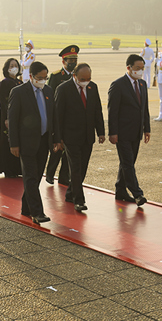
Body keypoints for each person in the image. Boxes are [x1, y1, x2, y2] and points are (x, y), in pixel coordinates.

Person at [8, 60, 59, 225]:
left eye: (45, 77)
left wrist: (56, 139)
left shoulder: (49, 91)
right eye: (40, 77)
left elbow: (53, 117)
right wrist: (13, 143)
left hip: (44, 141)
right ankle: (38, 212)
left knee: (36, 176)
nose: (43, 80)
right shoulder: (19, 92)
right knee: (30, 176)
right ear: (31, 76)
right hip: (26, 142)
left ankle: (26, 206)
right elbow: (13, 120)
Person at [55, 63, 105, 211]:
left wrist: (100, 132)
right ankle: (79, 200)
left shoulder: (92, 87)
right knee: (75, 168)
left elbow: (97, 110)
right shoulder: (63, 89)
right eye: (83, 78)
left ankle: (71, 193)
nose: (86, 81)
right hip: (71, 136)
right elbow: (58, 115)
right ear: (74, 76)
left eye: (89, 78)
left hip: (87, 136)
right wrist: (58, 138)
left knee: (82, 168)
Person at [107, 54, 151, 206]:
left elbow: (144, 109)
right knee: (127, 164)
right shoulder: (118, 85)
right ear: (129, 68)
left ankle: (120, 191)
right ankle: (138, 194)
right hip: (122, 132)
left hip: (136, 132)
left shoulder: (142, 84)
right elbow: (112, 111)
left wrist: (147, 129)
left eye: (142, 68)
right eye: (137, 68)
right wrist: (112, 132)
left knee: (128, 162)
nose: (140, 71)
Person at [44, 45, 78, 186]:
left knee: (69, 152)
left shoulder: (78, 76)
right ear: (63, 61)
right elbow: (50, 97)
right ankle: (50, 174)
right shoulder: (56, 76)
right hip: (59, 118)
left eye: (74, 60)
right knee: (57, 149)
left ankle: (64, 177)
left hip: (72, 120)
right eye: (70, 60)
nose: (73, 63)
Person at [0, 58, 23, 178]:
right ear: (7, 68)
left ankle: (17, 168)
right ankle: (8, 168)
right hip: (7, 117)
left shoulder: (19, 82)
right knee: (7, 142)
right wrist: (7, 118)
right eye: (11, 65)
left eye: (16, 65)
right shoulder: (5, 83)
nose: (14, 68)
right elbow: (3, 102)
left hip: (19, 118)